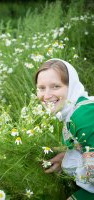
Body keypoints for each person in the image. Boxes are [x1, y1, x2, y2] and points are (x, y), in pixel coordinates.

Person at [35, 58, 94, 200]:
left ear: (70, 86)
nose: (47, 95)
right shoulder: (75, 110)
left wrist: (71, 163)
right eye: (41, 88)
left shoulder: (83, 117)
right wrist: (65, 157)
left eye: (56, 86)